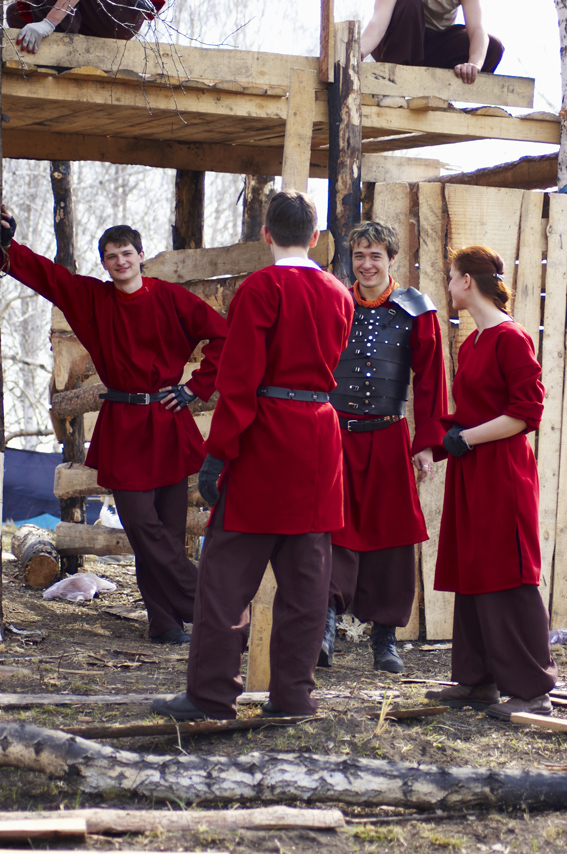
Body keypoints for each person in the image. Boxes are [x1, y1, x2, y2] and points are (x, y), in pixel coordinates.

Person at [151, 190, 354, 721]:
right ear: (315, 237)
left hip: (266, 440)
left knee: (225, 578)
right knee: (307, 580)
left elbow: (239, 379)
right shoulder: (340, 294)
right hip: (319, 439)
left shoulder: (260, 288)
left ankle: (210, 696)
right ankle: (294, 698)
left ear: (267, 234)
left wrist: (218, 453)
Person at [0, 206, 227, 645]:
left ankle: (164, 623)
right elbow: (50, 277)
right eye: (111, 256)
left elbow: (224, 336)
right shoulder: (94, 299)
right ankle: (212, 610)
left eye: (127, 253)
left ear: (141, 255)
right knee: (144, 529)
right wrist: (9, 246)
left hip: (167, 421)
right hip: (124, 426)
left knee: (167, 532)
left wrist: (194, 388)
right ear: (104, 263)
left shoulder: (170, 297)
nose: (120, 261)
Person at [425, 246, 557, 720]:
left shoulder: (511, 338)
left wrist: (466, 438)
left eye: (452, 276)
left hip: (502, 470)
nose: (448, 285)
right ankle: (477, 680)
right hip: (472, 469)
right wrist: (436, 442)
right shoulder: (473, 342)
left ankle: (533, 688)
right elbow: (470, 412)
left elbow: (526, 414)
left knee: (508, 569)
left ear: (467, 281)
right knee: (473, 566)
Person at [319, 221, 447, 673]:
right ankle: (324, 626)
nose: (367, 264)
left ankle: (385, 638)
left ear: (392, 259)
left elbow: (431, 380)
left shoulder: (417, 310)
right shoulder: (334, 302)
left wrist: (426, 444)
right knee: (332, 527)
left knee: (393, 534)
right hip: (336, 433)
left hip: (390, 435)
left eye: (375, 255)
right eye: (359, 255)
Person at [361, 0, 503, 84]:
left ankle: (446, 93)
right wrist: (359, 51)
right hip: (397, 42)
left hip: (435, 48)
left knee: (493, 47)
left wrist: (474, 64)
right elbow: (378, 22)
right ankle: (393, 85)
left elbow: (477, 29)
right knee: (410, 2)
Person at [7, 0, 163, 54]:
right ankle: (74, 52)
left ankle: (63, 52)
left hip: (121, 11)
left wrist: (49, 23)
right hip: (97, 18)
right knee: (15, 13)